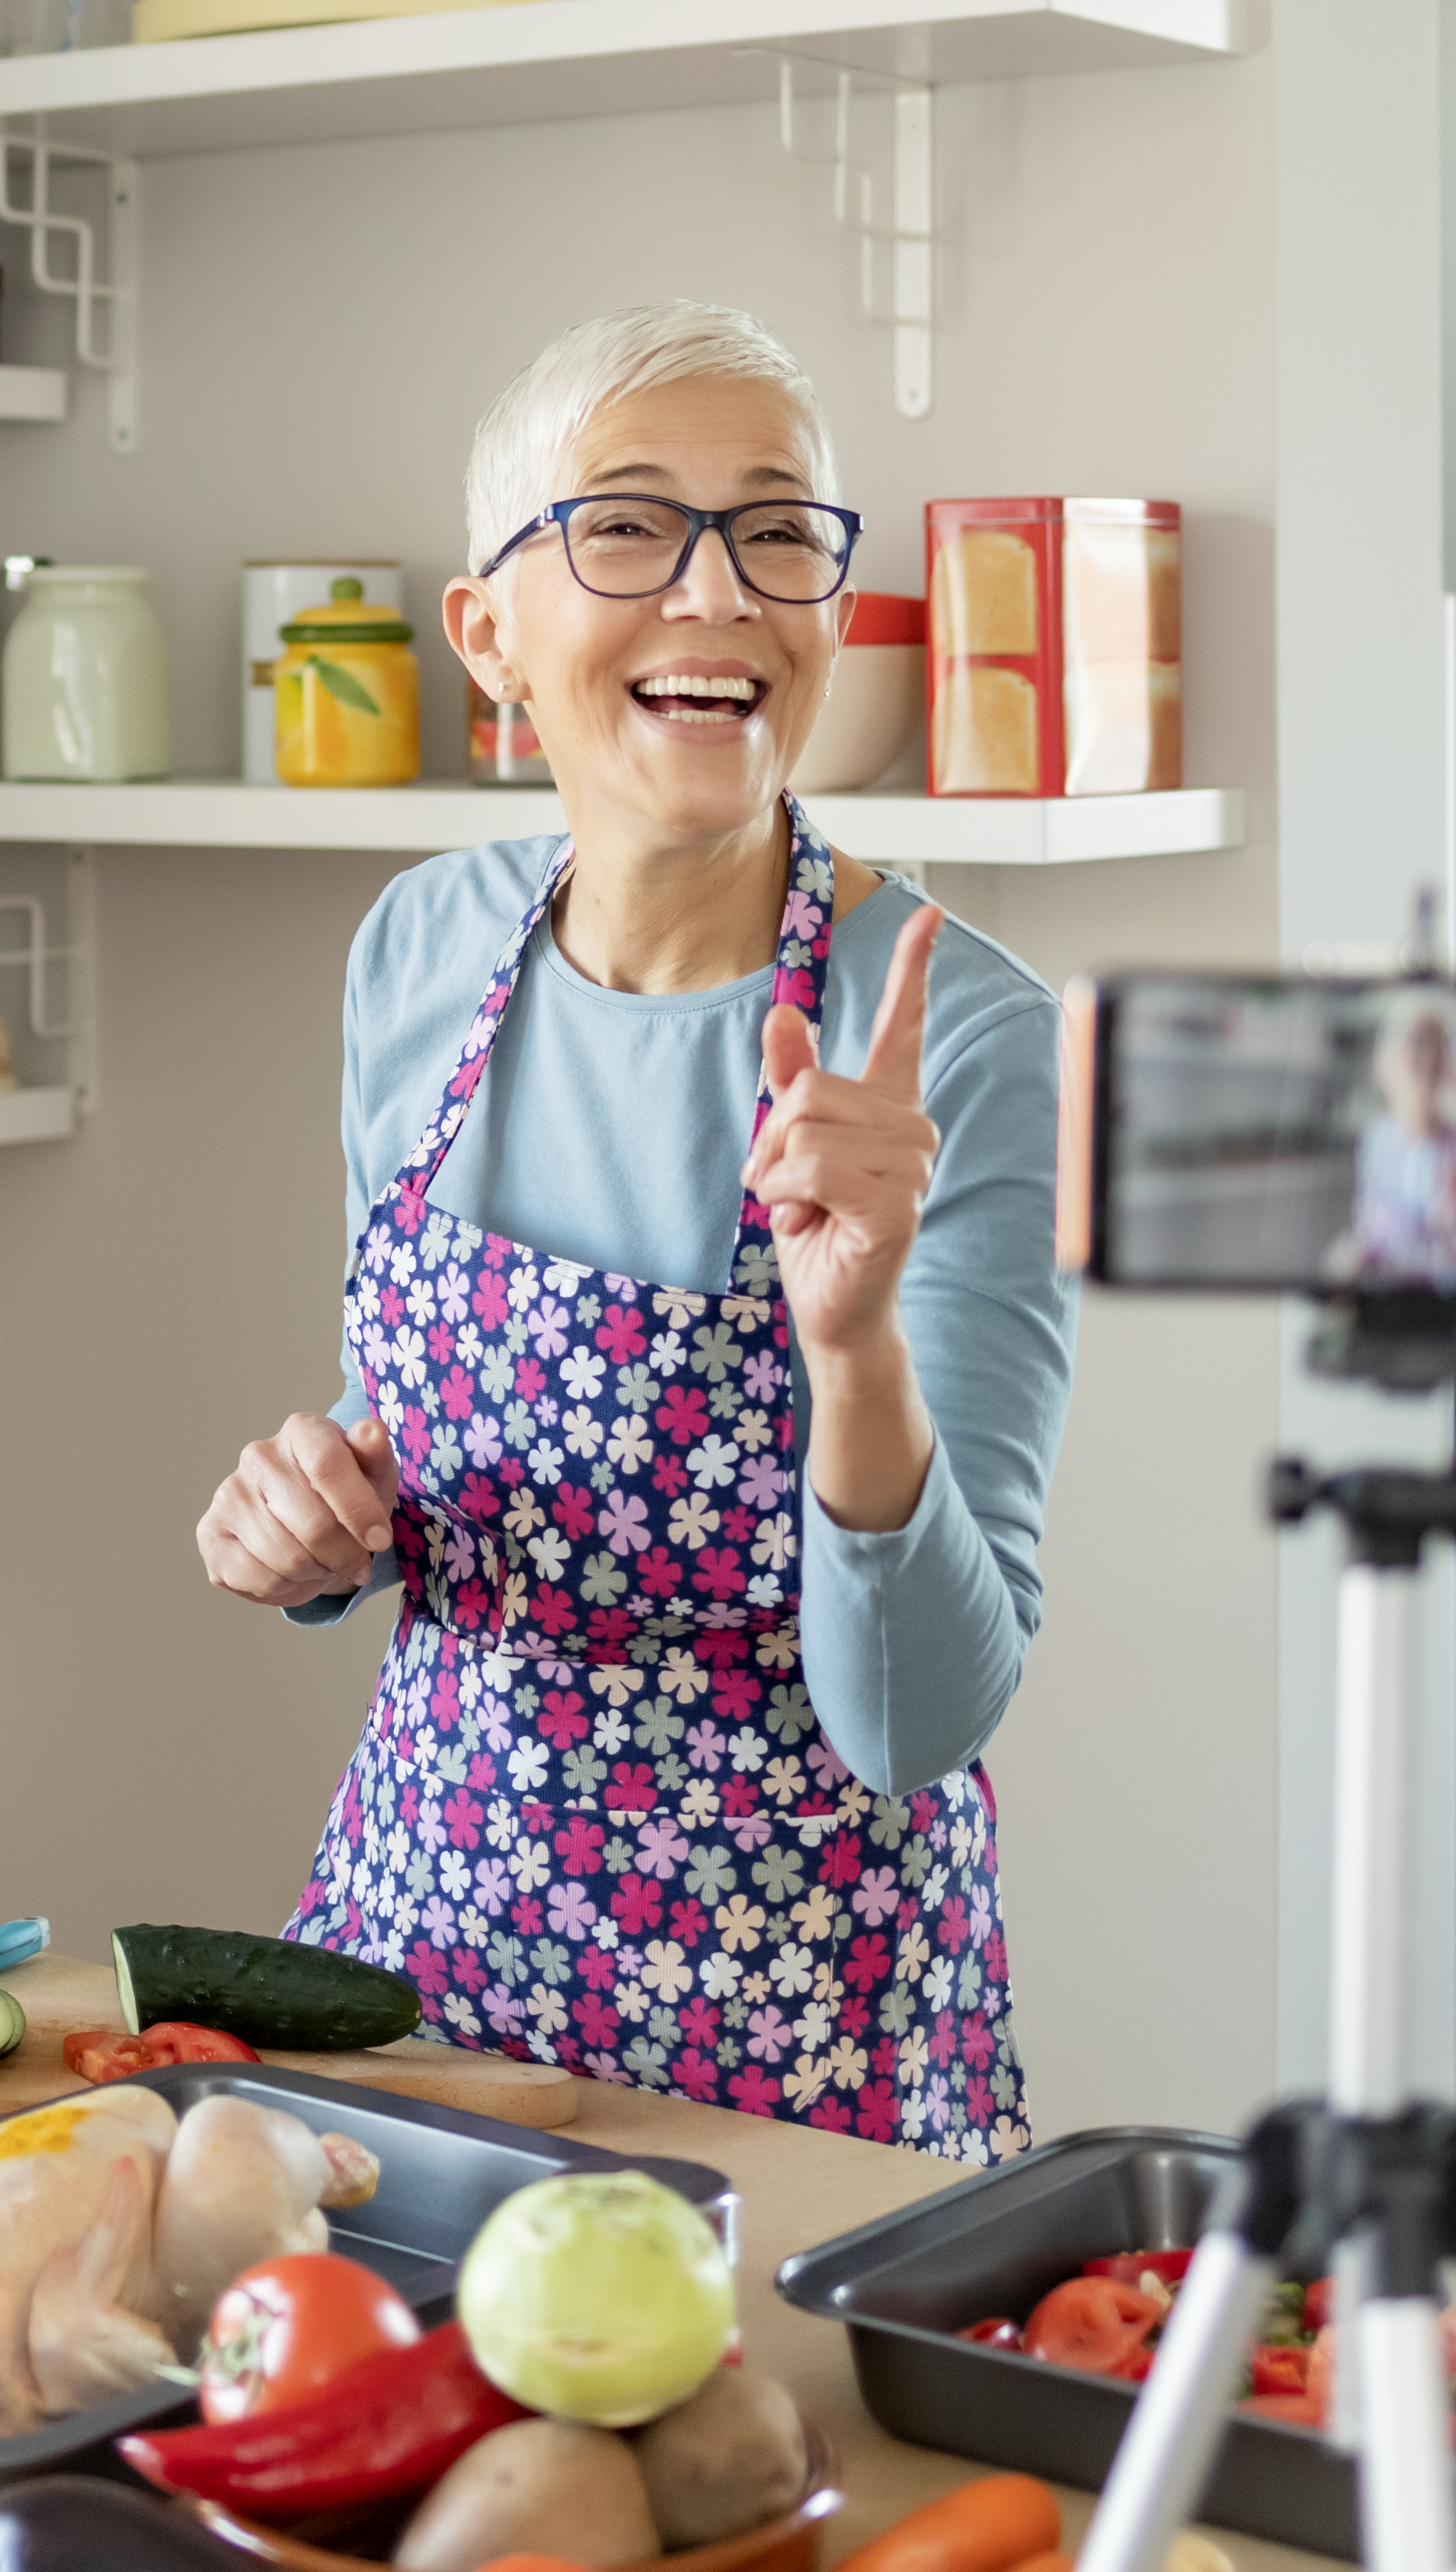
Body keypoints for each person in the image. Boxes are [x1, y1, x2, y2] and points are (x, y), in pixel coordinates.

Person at [194, 301, 1075, 2163]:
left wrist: (853, 1354)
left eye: (779, 530)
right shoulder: (421, 952)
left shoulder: (954, 1033)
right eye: (624, 527)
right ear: (488, 632)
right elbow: (417, 1478)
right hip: (413, 1970)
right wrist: (315, 1525)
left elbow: (926, 1718)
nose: (716, 594)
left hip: (791, 2038)